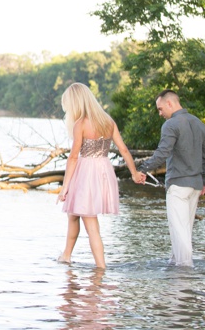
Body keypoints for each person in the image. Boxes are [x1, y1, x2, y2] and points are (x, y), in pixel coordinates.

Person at [58, 82, 141, 269]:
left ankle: (101, 268)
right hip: (103, 169)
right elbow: (124, 150)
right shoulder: (108, 121)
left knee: (90, 221)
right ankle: (66, 255)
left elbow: (73, 158)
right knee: (73, 213)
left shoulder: (81, 124)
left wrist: (65, 187)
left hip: (87, 172)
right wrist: (134, 173)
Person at [136, 89, 205, 267]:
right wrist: (204, 180)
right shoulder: (198, 123)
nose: (160, 113)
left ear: (170, 103)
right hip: (195, 186)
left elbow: (162, 153)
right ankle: (175, 267)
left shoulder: (171, 125)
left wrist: (143, 169)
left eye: (160, 108)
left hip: (178, 185)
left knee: (179, 231)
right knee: (185, 230)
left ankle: (185, 270)